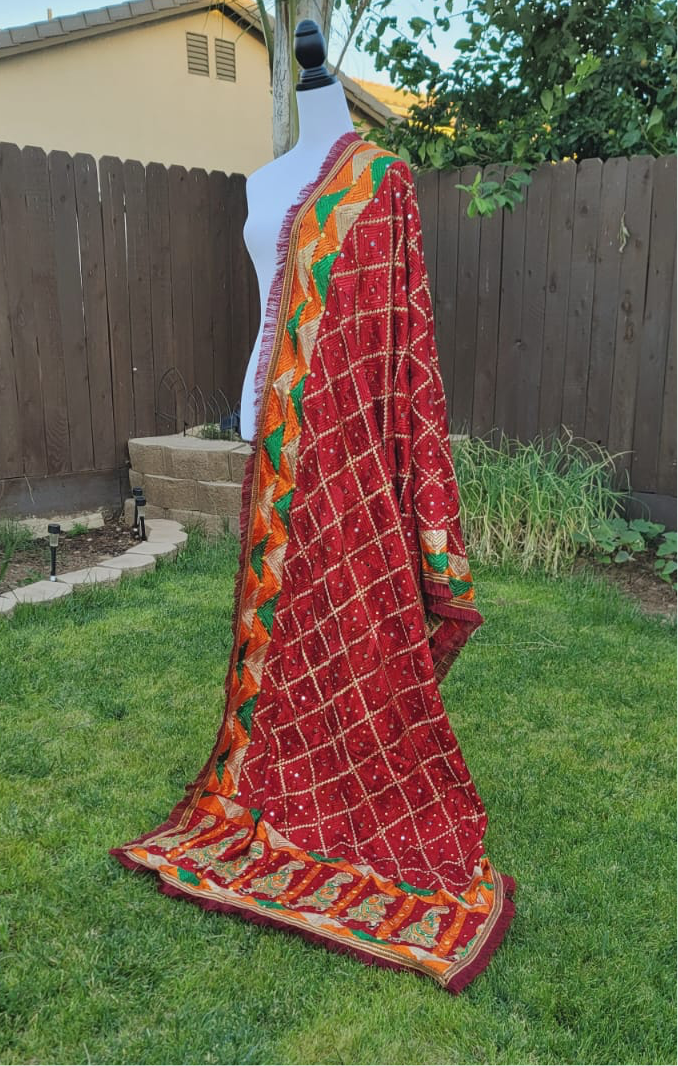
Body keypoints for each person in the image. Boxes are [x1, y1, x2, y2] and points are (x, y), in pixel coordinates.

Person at [110, 22, 515, 995]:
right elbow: (268, 315)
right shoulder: (263, 183)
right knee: (285, 622)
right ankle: (281, 776)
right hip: (272, 430)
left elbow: (403, 338)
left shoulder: (384, 181)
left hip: (348, 442)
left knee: (354, 618)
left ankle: (355, 775)